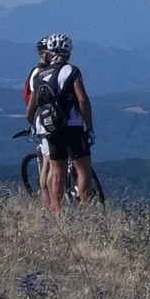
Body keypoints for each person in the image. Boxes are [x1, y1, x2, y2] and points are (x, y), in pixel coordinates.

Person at [24, 33, 95, 210]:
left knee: (56, 173)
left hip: (51, 130)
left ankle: (58, 213)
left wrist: (36, 126)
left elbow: (30, 111)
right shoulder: (72, 71)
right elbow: (83, 100)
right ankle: (87, 212)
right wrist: (89, 127)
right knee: (83, 170)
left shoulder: (38, 76)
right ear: (69, 54)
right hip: (73, 127)